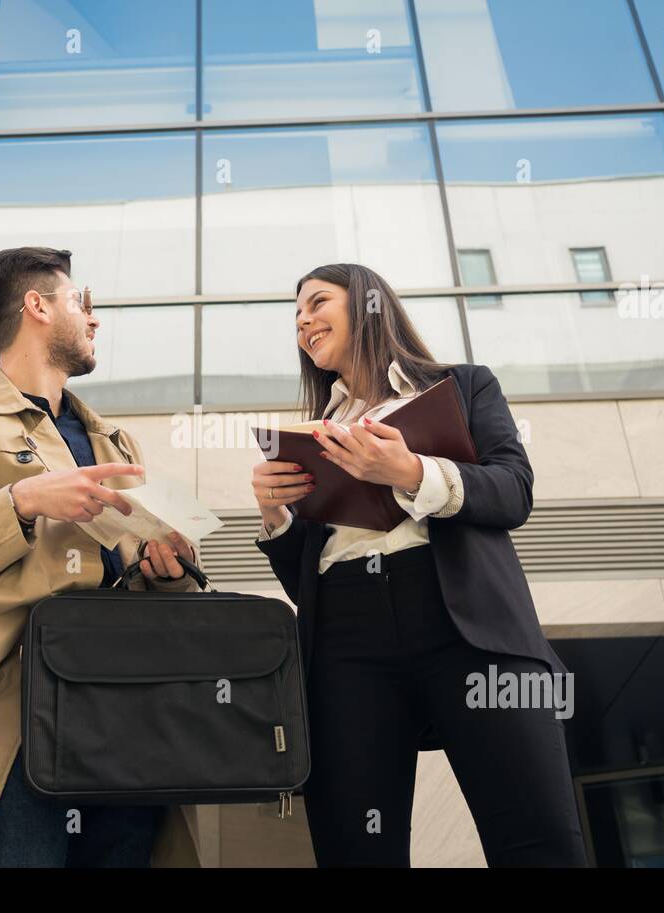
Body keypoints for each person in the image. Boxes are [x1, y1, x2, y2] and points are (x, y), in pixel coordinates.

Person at [252, 262, 588, 867]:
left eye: (317, 302)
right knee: (356, 849)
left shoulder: (463, 386)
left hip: (466, 621)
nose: (303, 320)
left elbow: (513, 491)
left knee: (537, 838)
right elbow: (305, 582)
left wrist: (409, 473)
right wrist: (276, 517)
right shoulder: (317, 429)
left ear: (368, 304)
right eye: (296, 314)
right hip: (345, 636)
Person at [0, 246, 202, 868]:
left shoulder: (115, 439)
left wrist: (165, 573)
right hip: (17, 729)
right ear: (37, 305)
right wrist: (22, 500)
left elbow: (146, 587)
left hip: (127, 725)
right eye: (81, 301)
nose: (94, 319)